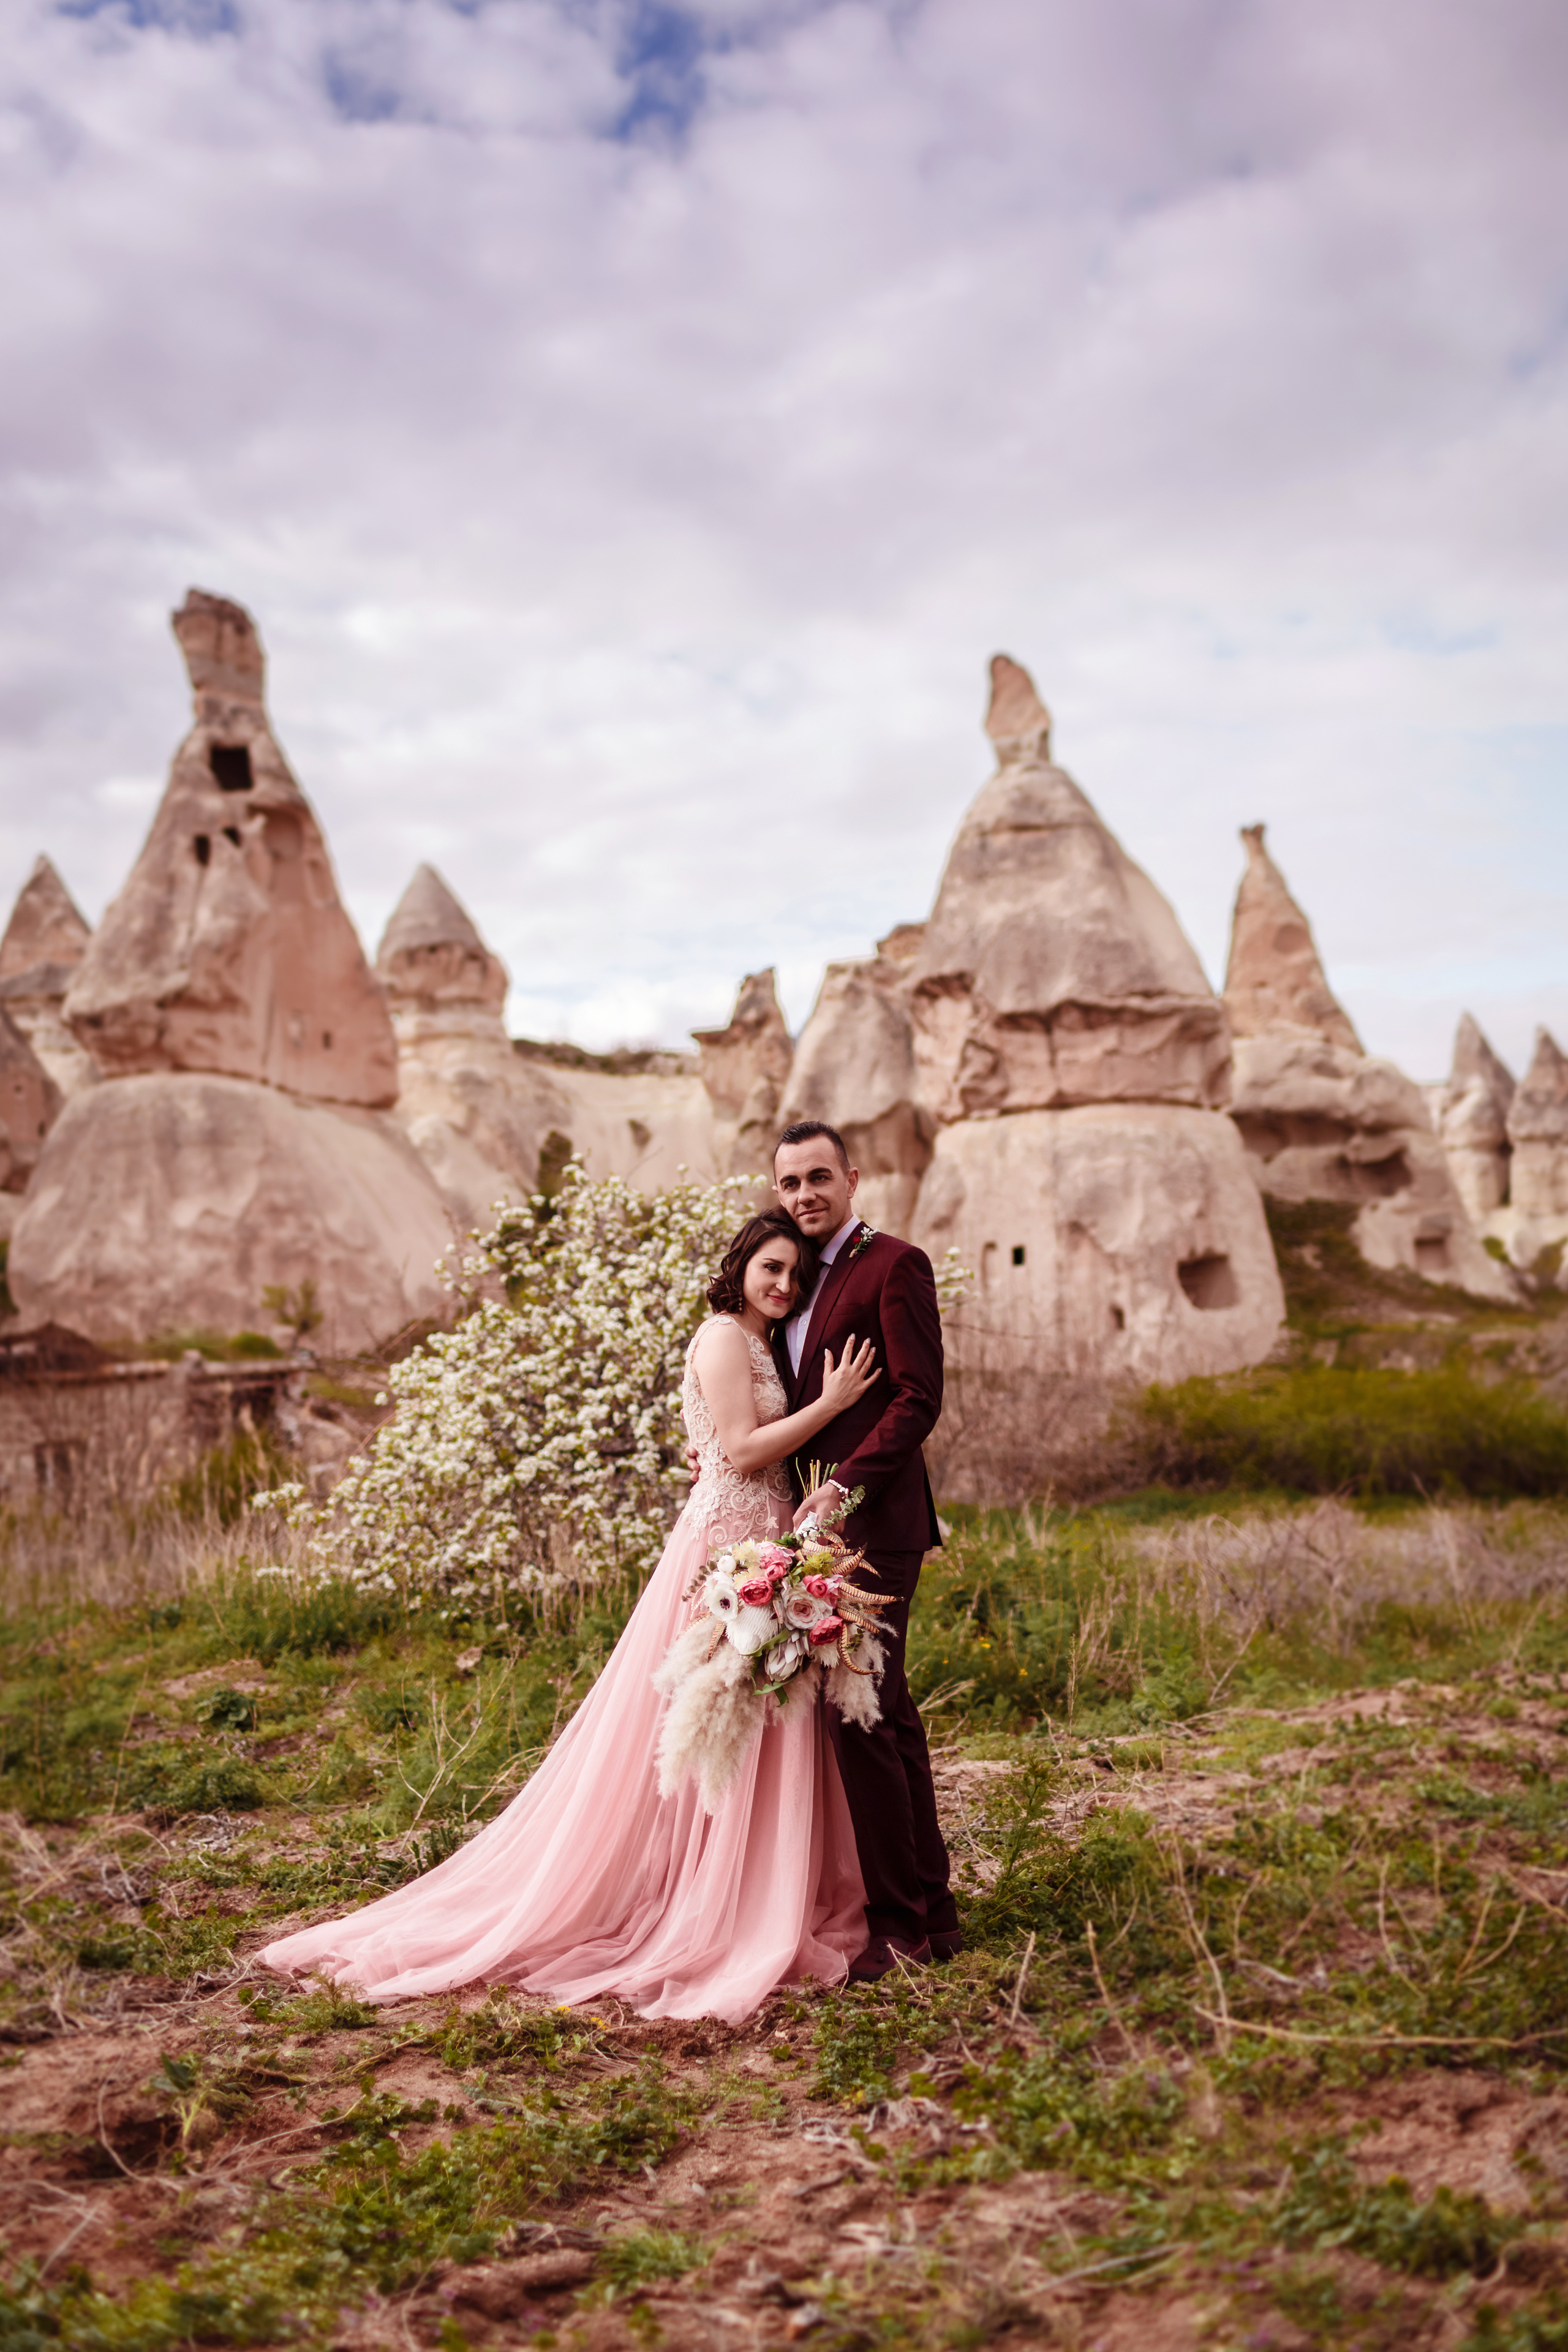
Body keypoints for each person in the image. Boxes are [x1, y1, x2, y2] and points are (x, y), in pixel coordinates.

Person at [257, 1212, 883, 2022]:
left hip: (759, 1542)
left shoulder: (757, 1340)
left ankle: (744, 1889)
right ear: (741, 1265)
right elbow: (738, 1450)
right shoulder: (726, 1336)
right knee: (711, 1719)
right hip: (726, 1546)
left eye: (795, 1276)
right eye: (771, 1267)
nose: (784, 1286)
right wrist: (832, 1403)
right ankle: (704, 1901)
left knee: (749, 1723)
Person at [771, 1120, 959, 1980]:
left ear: (851, 1178)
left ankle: (900, 1929)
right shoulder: (790, 1277)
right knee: (886, 1713)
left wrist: (845, 1486)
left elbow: (919, 1397)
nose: (805, 1195)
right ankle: (933, 1909)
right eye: (789, 1184)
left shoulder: (896, 1264)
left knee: (862, 1715)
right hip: (810, 1529)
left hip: (873, 1523)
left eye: (818, 1178)